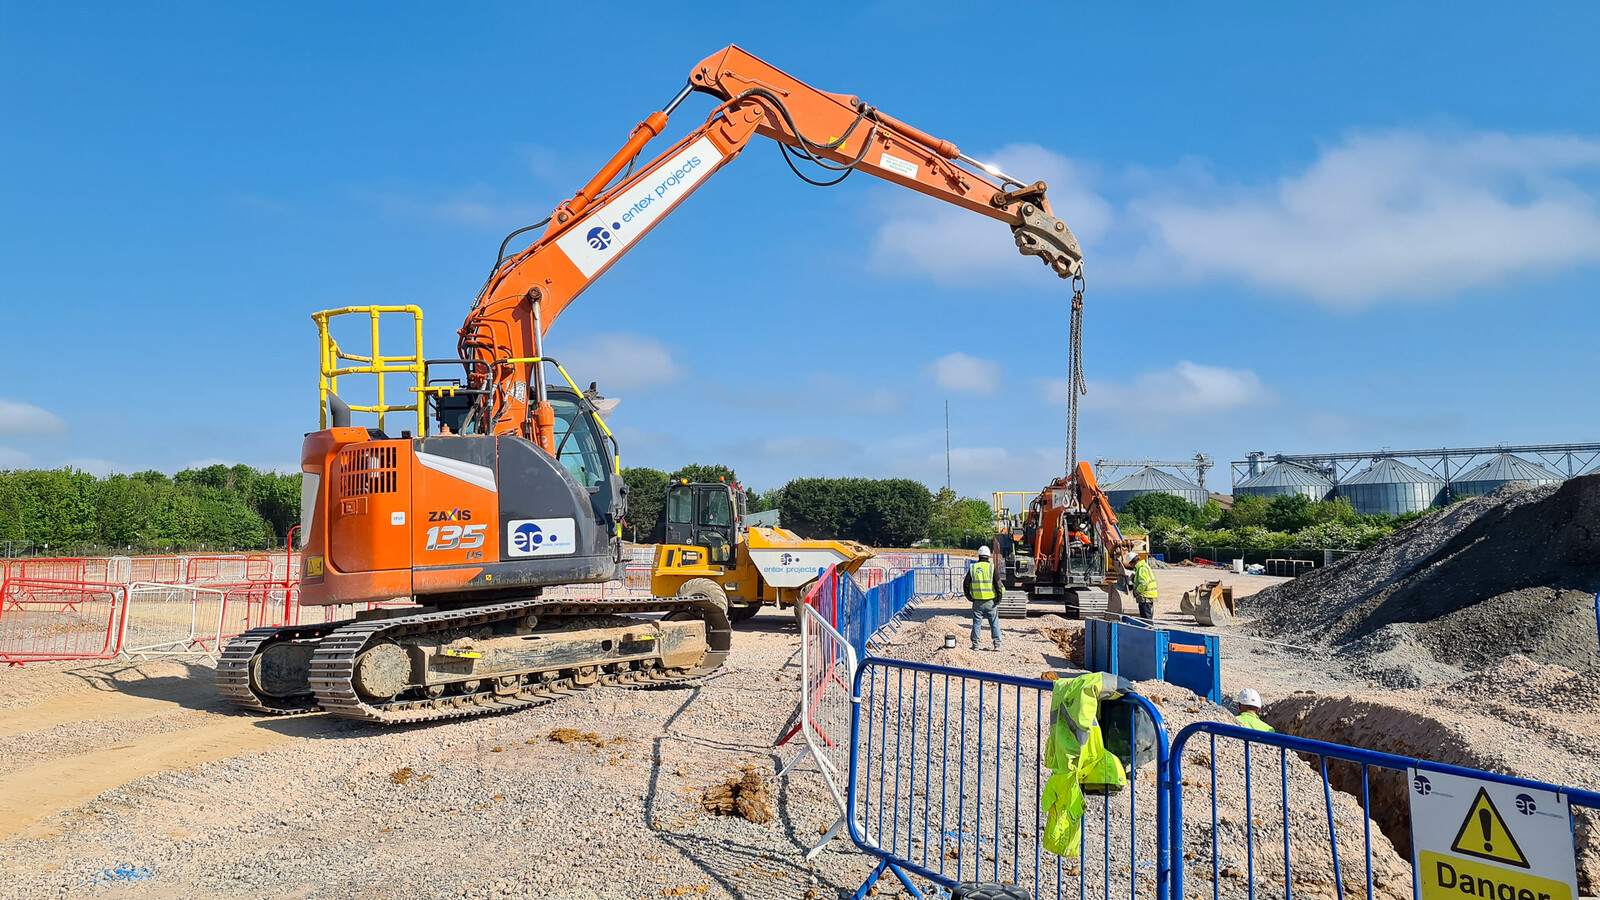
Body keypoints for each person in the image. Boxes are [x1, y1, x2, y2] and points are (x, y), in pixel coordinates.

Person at [964, 545, 1004, 651]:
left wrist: (969, 596)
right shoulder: (992, 568)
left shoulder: (973, 567)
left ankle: (975, 645)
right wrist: (999, 598)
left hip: (977, 602)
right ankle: (997, 645)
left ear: (979, 555)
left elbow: (966, 583)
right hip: (991, 602)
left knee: (977, 623)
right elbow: (998, 584)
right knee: (994, 623)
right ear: (988, 555)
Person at [1125, 552, 1158, 620]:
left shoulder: (1141, 569)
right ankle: (1148, 629)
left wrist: (1136, 592)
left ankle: (1149, 629)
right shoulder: (1143, 566)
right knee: (1146, 617)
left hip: (1145, 596)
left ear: (1132, 562)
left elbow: (1143, 583)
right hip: (1147, 595)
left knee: (1146, 619)